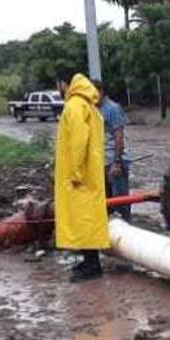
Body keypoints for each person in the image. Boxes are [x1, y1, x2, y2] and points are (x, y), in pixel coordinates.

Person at [54, 68, 110, 282]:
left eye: (58, 84)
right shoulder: (88, 104)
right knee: (88, 218)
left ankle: (92, 265)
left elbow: (79, 140)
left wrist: (74, 171)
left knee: (82, 219)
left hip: (80, 175)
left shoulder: (75, 106)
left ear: (64, 83)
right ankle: (89, 261)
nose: (58, 89)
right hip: (90, 172)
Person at [91, 80, 131, 220]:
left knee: (121, 202)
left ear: (100, 92)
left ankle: (127, 231)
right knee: (105, 203)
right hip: (101, 162)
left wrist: (117, 162)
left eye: (92, 92)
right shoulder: (93, 109)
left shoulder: (112, 108)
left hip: (114, 163)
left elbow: (119, 137)